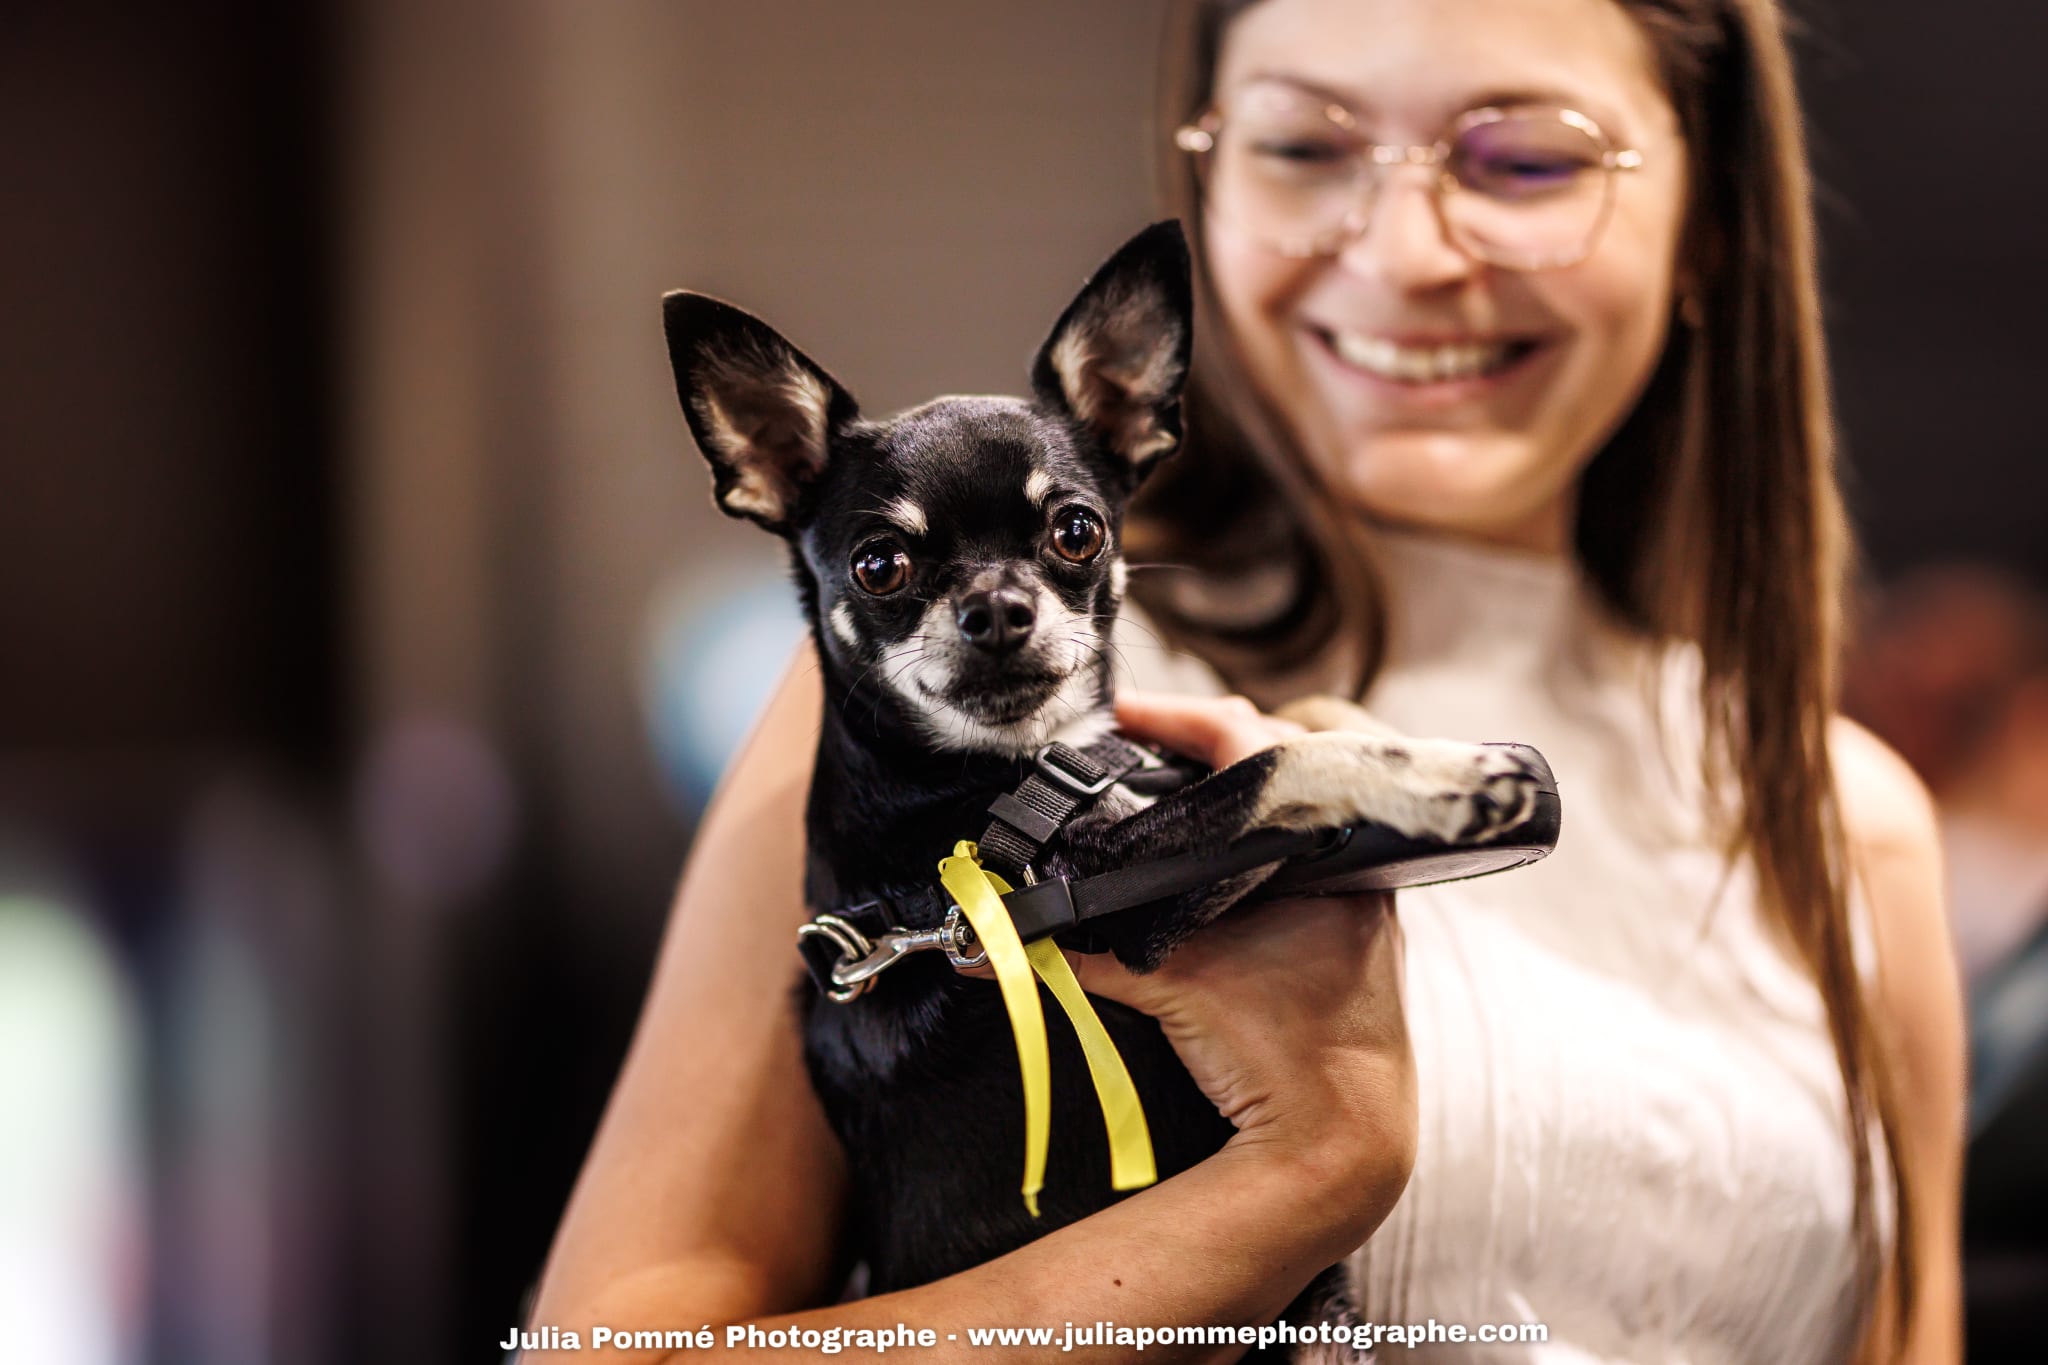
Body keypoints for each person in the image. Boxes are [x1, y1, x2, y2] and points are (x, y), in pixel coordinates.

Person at [526, 0, 1963, 1360]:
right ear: (1207, 178)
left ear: (1712, 219)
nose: (1405, 251)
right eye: (1304, 147)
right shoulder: (923, 726)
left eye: (1525, 159)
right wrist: (1296, 1184)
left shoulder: (1847, 825)